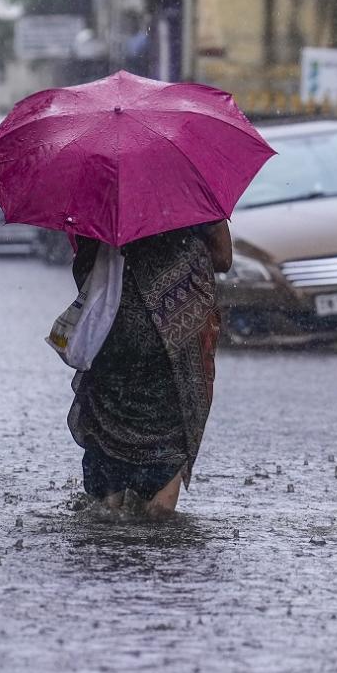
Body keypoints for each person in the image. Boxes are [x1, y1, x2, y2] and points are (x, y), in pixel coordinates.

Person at [69, 221, 233, 516]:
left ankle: (110, 508)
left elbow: (83, 264)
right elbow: (222, 259)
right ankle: (156, 514)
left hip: (114, 336)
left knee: (108, 443)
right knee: (168, 438)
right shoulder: (188, 187)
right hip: (175, 337)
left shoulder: (100, 194)